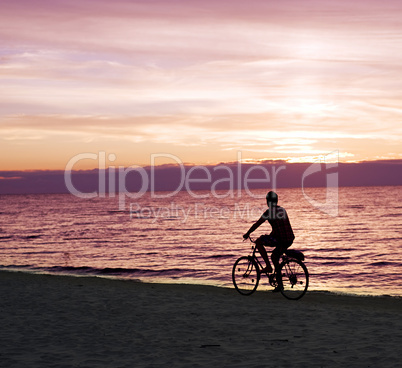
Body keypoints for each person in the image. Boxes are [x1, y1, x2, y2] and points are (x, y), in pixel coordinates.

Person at [243, 191, 295, 277]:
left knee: (259, 242)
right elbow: (279, 227)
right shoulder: (282, 210)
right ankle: (279, 284)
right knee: (275, 257)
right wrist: (271, 235)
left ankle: (268, 266)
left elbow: (257, 224)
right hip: (289, 239)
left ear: (268, 202)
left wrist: (247, 233)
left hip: (281, 240)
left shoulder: (269, 212)